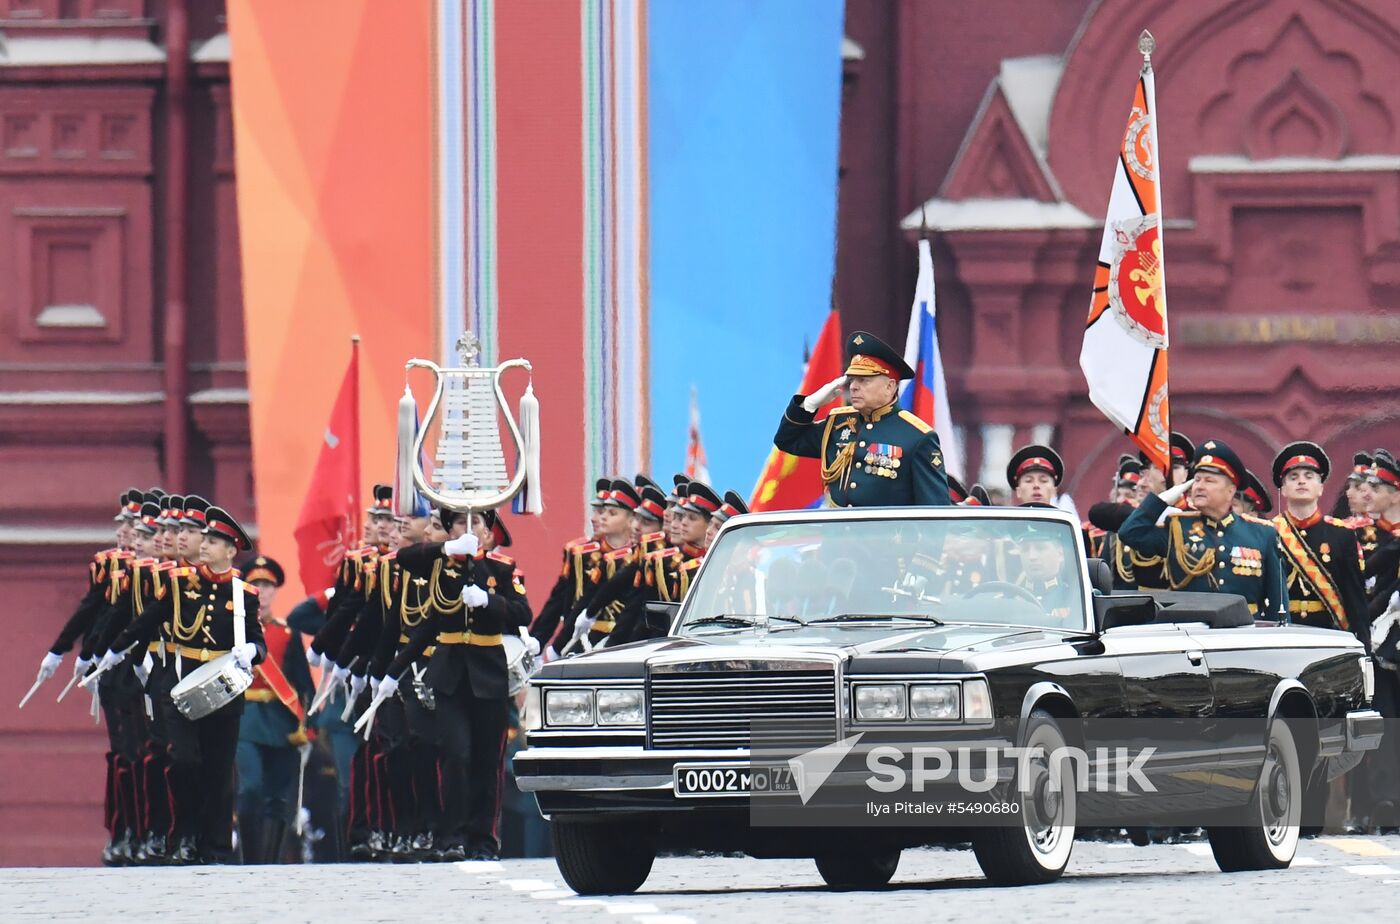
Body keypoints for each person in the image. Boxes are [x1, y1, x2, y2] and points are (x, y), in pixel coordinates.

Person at [97, 505, 266, 864]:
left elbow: (259, 641)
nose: (204, 546)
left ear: (231, 550)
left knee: (219, 769)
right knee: (185, 761)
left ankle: (215, 845)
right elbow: (145, 622)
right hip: (181, 685)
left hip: (223, 692)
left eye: (214, 541)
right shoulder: (178, 583)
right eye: (204, 539)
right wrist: (114, 650)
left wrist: (251, 650)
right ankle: (183, 836)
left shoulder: (243, 594)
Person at [378, 505, 531, 861]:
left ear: (488, 529)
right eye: (460, 521)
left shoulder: (502, 569)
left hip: (488, 672)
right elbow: (424, 613)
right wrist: (393, 671)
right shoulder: (435, 566)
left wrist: (489, 601)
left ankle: (483, 839)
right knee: (454, 754)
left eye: (475, 521)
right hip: (448, 673)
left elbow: (523, 612)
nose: (468, 527)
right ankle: (452, 837)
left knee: (485, 760)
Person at [773, 330, 950, 508]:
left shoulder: (917, 437)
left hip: (886, 535)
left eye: (864, 380)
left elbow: (935, 512)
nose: (854, 387)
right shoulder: (839, 424)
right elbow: (787, 440)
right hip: (838, 534)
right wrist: (808, 406)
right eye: (852, 380)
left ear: (890, 387)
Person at [1119, 439, 1288, 618]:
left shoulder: (1262, 533)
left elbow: (1278, 604)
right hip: (1192, 633)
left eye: (1209, 481)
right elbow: (1130, 533)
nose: (1199, 486)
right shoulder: (1178, 528)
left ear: (1230, 491)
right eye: (1197, 480)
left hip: (1244, 634)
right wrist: (1161, 500)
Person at [235, 555, 314, 865]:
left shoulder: (287, 633)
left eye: (268, 586)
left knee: (279, 797)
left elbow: (303, 683)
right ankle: (250, 861)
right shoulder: (235, 632)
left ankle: (271, 864)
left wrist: (308, 723)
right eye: (256, 585)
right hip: (245, 720)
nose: (263, 592)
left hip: (281, 722)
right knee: (251, 788)